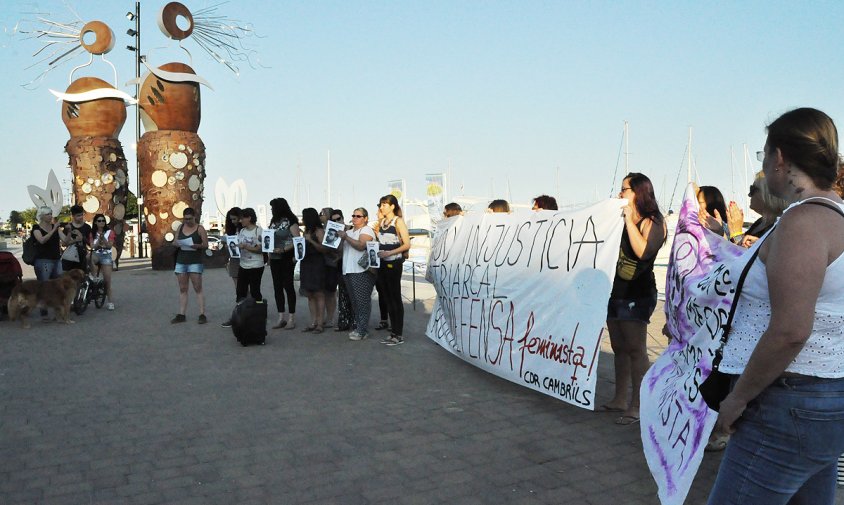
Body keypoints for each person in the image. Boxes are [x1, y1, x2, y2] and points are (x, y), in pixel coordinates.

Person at [707, 108, 844, 504]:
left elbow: (790, 331)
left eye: (763, 158)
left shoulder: (802, 222)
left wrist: (738, 399)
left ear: (780, 158)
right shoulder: (836, 216)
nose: (765, 169)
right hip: (825, 397)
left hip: (788, 400)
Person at [603, 173, 666, 425]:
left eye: (624, 189)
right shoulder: (620, 218)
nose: (620, 194)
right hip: (615, 289)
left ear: (638, 192)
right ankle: (619, 398)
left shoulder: (654, 221)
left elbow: (643, 251)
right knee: (618, 346)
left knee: (636, 348)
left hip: (637, 292)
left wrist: (629, 220)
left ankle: (639, 405)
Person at [376, 194, 412, 346]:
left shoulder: (398, 221)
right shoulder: (382, 222)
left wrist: (390, 253)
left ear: (392, 206)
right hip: (382, 263)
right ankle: (393, 332)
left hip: (394, 263)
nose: (382, 207)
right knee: (387, 297)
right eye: (381, 204)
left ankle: (399, 333)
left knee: (395, 297)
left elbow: (407, 244)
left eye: (384, 204)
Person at [337, 207, 376, 341]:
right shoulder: (349, 231)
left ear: (365, 218)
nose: (355, 218)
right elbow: (342, 249)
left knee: (362, 301)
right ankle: (359, 327)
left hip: (361, 271)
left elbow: (361, 245)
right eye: (353, 215)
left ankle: (362, 330)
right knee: (354, 302)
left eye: (358, 216)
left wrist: (346, 237)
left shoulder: (366, 230)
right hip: (348, 270)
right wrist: (341, 239)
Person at [726, 171, 788, 248]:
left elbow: (743, 254)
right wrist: (719, 232)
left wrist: (736, 233)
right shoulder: (760, 222)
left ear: (767, 194)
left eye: (752, 189)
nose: (749, 194)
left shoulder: (781, 226)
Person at [171, 208, 208, 323]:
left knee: (197, 287)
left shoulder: (200, 229)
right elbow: (174, 241)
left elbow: (206, 244)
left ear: (194, 217)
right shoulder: (180, 228)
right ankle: (182, 313)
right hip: (181, 261)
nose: (187, 221)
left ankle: (202, 313)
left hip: (195, 261)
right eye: (185, 219)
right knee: (183, 288)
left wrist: (197, 246)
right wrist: (177, 243)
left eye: (189, 219)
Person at [267, 198, 299, 330]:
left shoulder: (291, 221)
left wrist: (285, 249)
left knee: (288, 286)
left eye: (272, 207)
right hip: (274, 258)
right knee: (277, 287)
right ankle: (281, 317)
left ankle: (291, 317)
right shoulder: (273, 222)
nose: (271, 210)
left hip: (286, 257)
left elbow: (298, 240)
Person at [299, 208, 332, 333]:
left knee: (319, 293)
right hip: (306, 263)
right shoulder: (307, 231)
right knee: (310, 294)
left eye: (303, 217)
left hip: (317, 263)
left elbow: (324, 249)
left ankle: (320, 323)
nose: (302, 219)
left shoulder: (319, 231)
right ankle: (313, 321)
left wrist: (311, 240)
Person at [330, 209, 354, 332]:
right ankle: (344, 322)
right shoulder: (333, 232)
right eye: (333, 220)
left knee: (354, 295)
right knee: (343, 295)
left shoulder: (351, 229)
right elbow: (337, 250)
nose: (336, 221)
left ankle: (355, 322)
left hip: (353, 266)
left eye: (338, 219)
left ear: (343, 218)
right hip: (341, 265)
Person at [234, 207, 264, 303]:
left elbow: (260, 249)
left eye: (242, 218)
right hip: (243, 264)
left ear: (249, 218)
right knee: (240, 290)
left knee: (255, 290)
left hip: (256, 265)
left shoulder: (258, 231)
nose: (240, 220)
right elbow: (239, 245)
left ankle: (258, 310)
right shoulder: (242, 231)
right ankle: (241, 310)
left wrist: (246, 247)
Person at [90, 214, 118, 311]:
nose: (101, 222)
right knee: (88, 258)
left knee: (107, 280)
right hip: (96, 253)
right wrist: (98, 241)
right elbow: (92, 246)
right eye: (99, 221)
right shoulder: (92, 233)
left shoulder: (110, 232)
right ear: (95, 222)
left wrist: (103, 238)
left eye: (103, 221)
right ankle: (94, 277)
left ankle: (110, 301)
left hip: (106, 255)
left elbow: (109, 246)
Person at [31, 206, 67, 282]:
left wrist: (69, 231)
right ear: (41, 216)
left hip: (57, 260)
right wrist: (54, 229)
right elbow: (42, 240)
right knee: (44, 286)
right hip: (43, 261)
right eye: (47, 214)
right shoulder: (36, 228)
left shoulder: (56, 227)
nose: (50, 216)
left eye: (51, 214)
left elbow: (65, 240)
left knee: (58, 285)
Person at [61, 205, 91, 273]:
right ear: (73, 216)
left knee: (82, 279)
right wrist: (75, 240)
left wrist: (82, 237)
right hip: (69, 258)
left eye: (81, 215)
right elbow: (63, 244)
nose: (81, 217)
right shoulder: (68, 227)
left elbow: (90, 243)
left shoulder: (87, 227)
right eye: (78, 215)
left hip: (82, 257)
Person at [224, 207, 242, 286]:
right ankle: (240, 297)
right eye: (231, 219)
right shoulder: (231, 230)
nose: (232, 221)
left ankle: (249, 297)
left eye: (234, 219)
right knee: (236, 281)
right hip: (234, 258)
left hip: (245, 257)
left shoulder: (244, 229)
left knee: (246, 282)